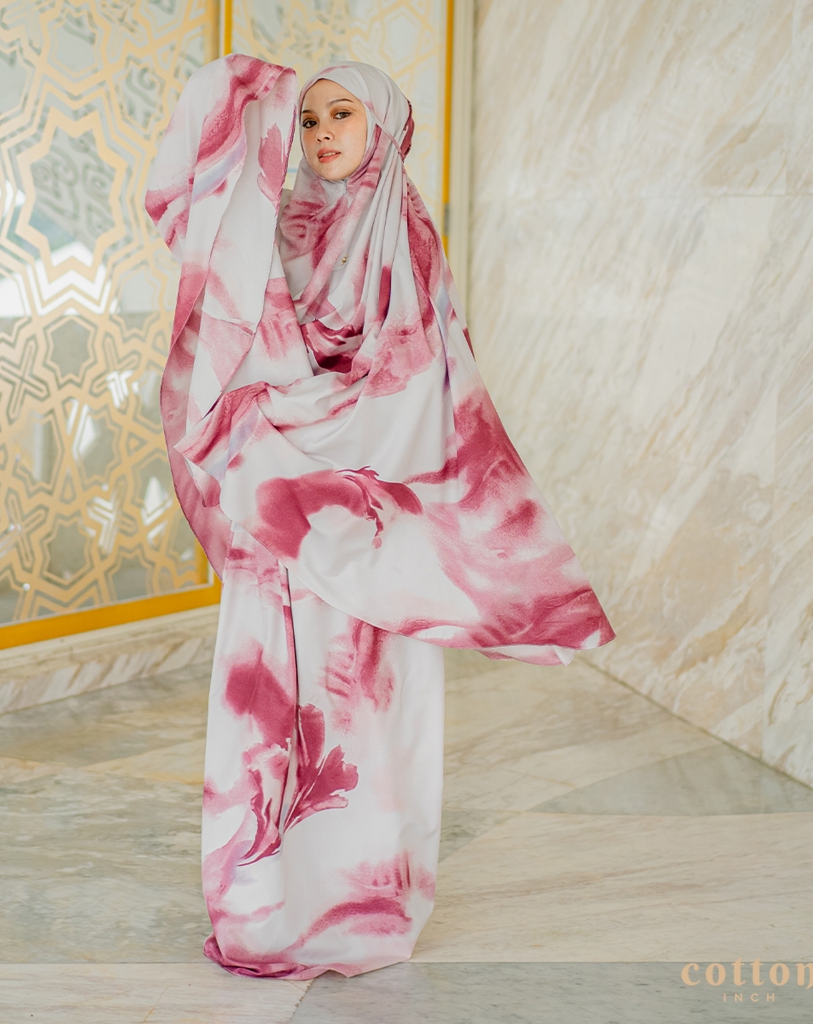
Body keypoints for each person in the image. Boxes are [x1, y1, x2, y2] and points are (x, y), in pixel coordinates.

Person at [145, 54, 614, 980]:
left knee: (364, 723)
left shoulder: (409, 239)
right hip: (277, 521)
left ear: (386, 126)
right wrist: (235, 104)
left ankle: (360, 906)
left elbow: (421, 391)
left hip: (372, 521)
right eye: (310, 118)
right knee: (268, 717)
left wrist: (312, 457)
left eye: (344, 116)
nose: (323, 135)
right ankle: (261, 909)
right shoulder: (270, 223)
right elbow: (227, 321)